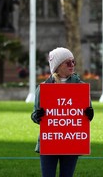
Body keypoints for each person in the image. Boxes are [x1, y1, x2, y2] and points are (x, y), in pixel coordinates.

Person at [31, 47, 94, 177]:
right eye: (68, 62)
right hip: (50, 141)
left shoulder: (81, 87)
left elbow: (86, 114)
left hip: (71, 142)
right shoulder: (44, 88)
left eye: (73, 62)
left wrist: (89, 114)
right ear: (58, 66)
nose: (72, 65)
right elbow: (34, 114)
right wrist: (38, 116)